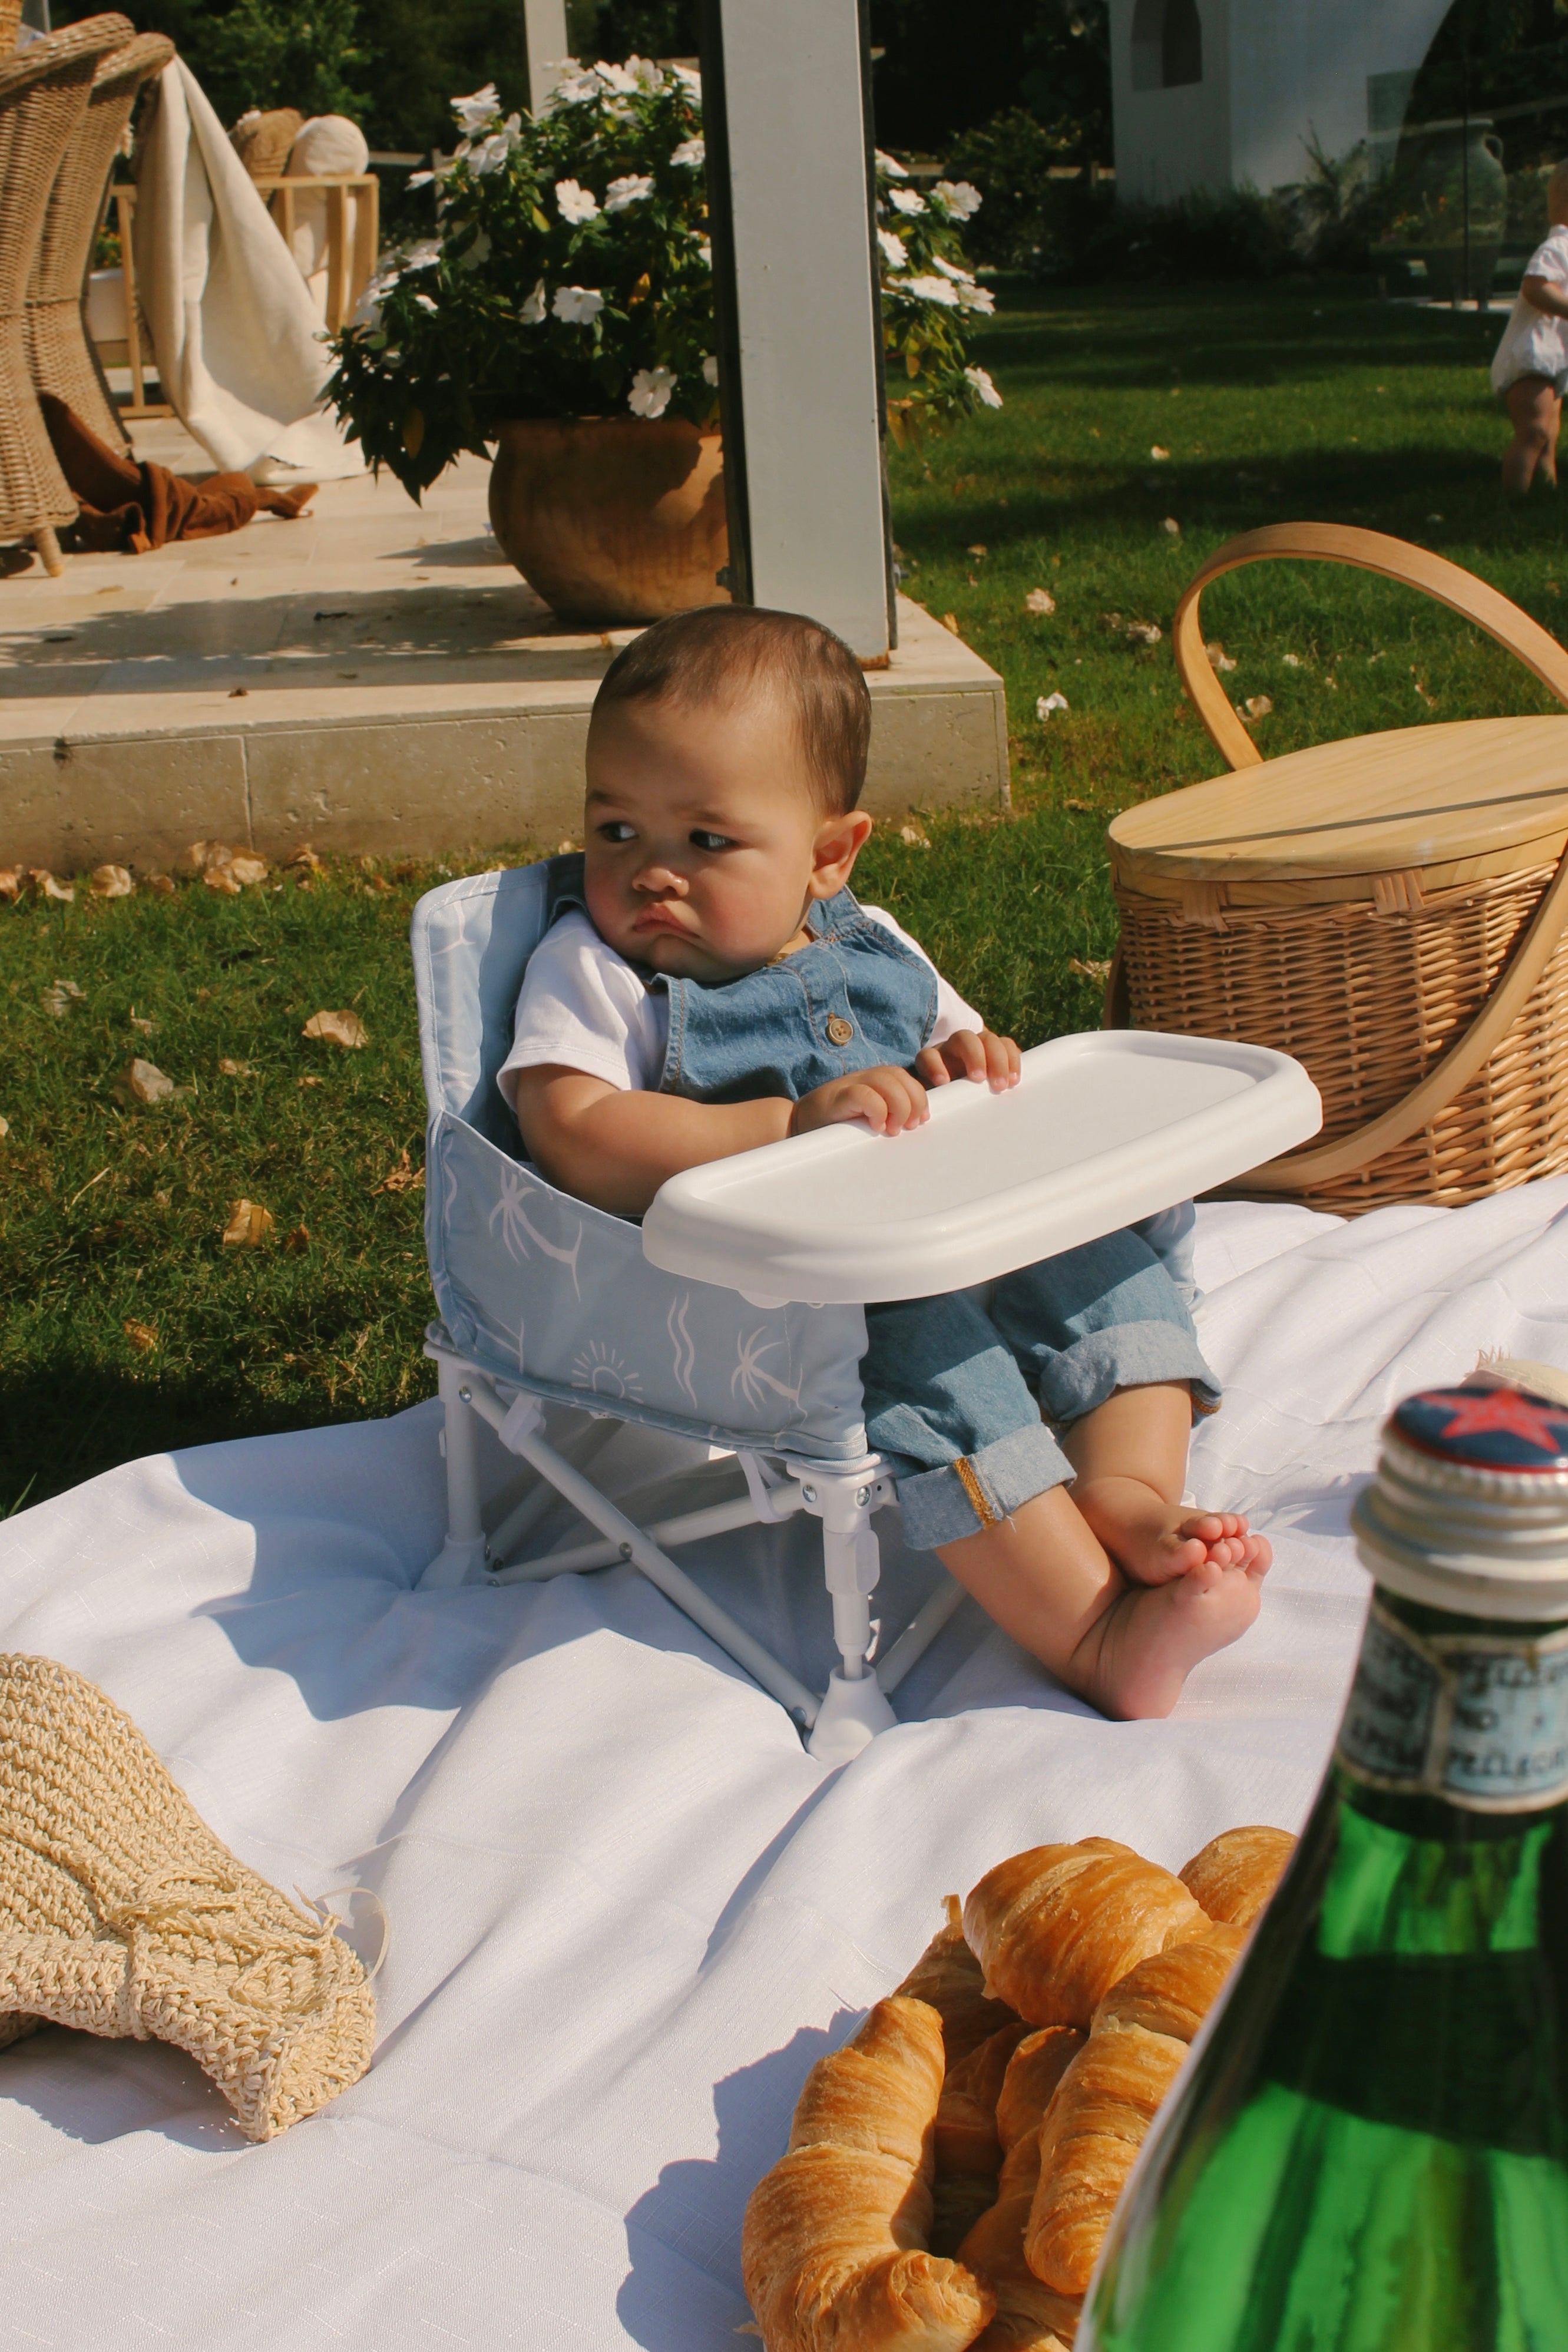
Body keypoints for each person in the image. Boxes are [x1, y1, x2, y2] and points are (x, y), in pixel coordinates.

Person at [498, 606, 1271, 1720]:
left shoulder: (878, 945)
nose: (650, 874)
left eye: (705, 841)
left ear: (827, 855)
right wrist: (782, 1127)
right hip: (776, 1296)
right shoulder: (597, 971)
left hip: (947, 1224)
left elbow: (965, 1063)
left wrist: (971, 1060)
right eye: (614, 828)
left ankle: (1130, 1494)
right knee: (934, 1361)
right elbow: (569, 1129)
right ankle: (1094, 1632)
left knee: (1108, 1264)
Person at [1491, 161, 1568, 492]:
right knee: (1534, 432)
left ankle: (1545, 492)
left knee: (1550, 435)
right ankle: (1515, 497)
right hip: (1531, 357)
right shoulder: (1559, 247)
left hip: (1553, 361)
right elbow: (1535, 287)